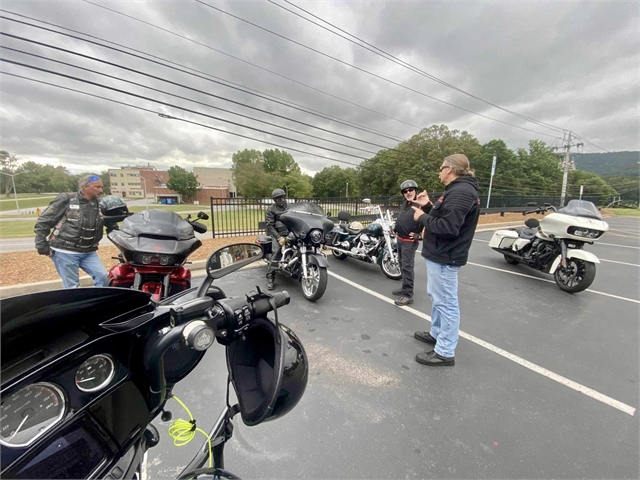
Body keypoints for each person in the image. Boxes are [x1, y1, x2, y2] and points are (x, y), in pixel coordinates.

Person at [411, 154, 480, 366]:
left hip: (445, 256)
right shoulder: (458, 190)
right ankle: (437, 333)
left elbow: (449, 228)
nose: (439, 172)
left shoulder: (461, 192)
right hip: (441, 254)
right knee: (437, 297)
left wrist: (421, 217)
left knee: (446, 303)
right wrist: (429, 207)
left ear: (449, 169)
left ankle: (444, 351)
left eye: (441, 168)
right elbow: (446, 218)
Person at [34, 174, 108, 289]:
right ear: (85, 187)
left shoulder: (99, 203)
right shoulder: (66, 199)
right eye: (97, 187)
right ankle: (76, 306)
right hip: (65, 251)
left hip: (89, 251)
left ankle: (96, 303)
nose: (101, 190)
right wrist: (41, 244)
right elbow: (44, 221)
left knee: (102, 277)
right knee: (71, 287)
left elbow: (108, 220)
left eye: (101, 187)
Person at [392, 179, 425, 306]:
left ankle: (407, 295)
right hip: (400, 239)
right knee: (401, 265)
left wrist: (420, 235)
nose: (408, 192)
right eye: (405, 191)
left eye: (411, 190)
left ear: (416, 190)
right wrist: (396, 228)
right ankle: (404, 287)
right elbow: (402, 218)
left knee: (407, 267)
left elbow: (432, 220)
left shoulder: (421, 204)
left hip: (409, 242)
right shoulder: (406, 203)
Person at [265, 188, 290, 290]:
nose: (281, 199)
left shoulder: (290, 207)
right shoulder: (271, 209)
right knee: (276, 252)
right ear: (274, 200)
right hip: (278, 234)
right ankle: (270, 278)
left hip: (291, 233)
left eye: (282, 197)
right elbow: (270, 226)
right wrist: (279, 238)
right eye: (278, 198)